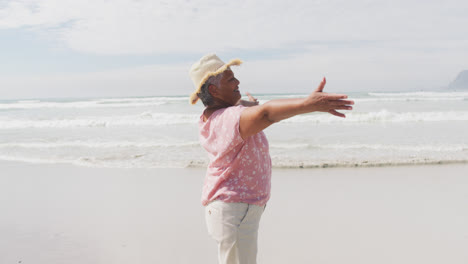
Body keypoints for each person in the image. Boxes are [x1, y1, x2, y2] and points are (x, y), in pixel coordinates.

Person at [189, 54, 354, 264]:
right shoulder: (227, 119)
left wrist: (246, 104)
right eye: (230, 79)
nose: (237, 81)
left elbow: (247, 110)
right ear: (213, 90)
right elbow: (265, 114)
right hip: (234, 209)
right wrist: (307, 104)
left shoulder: (218, 115)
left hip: (238, 208)